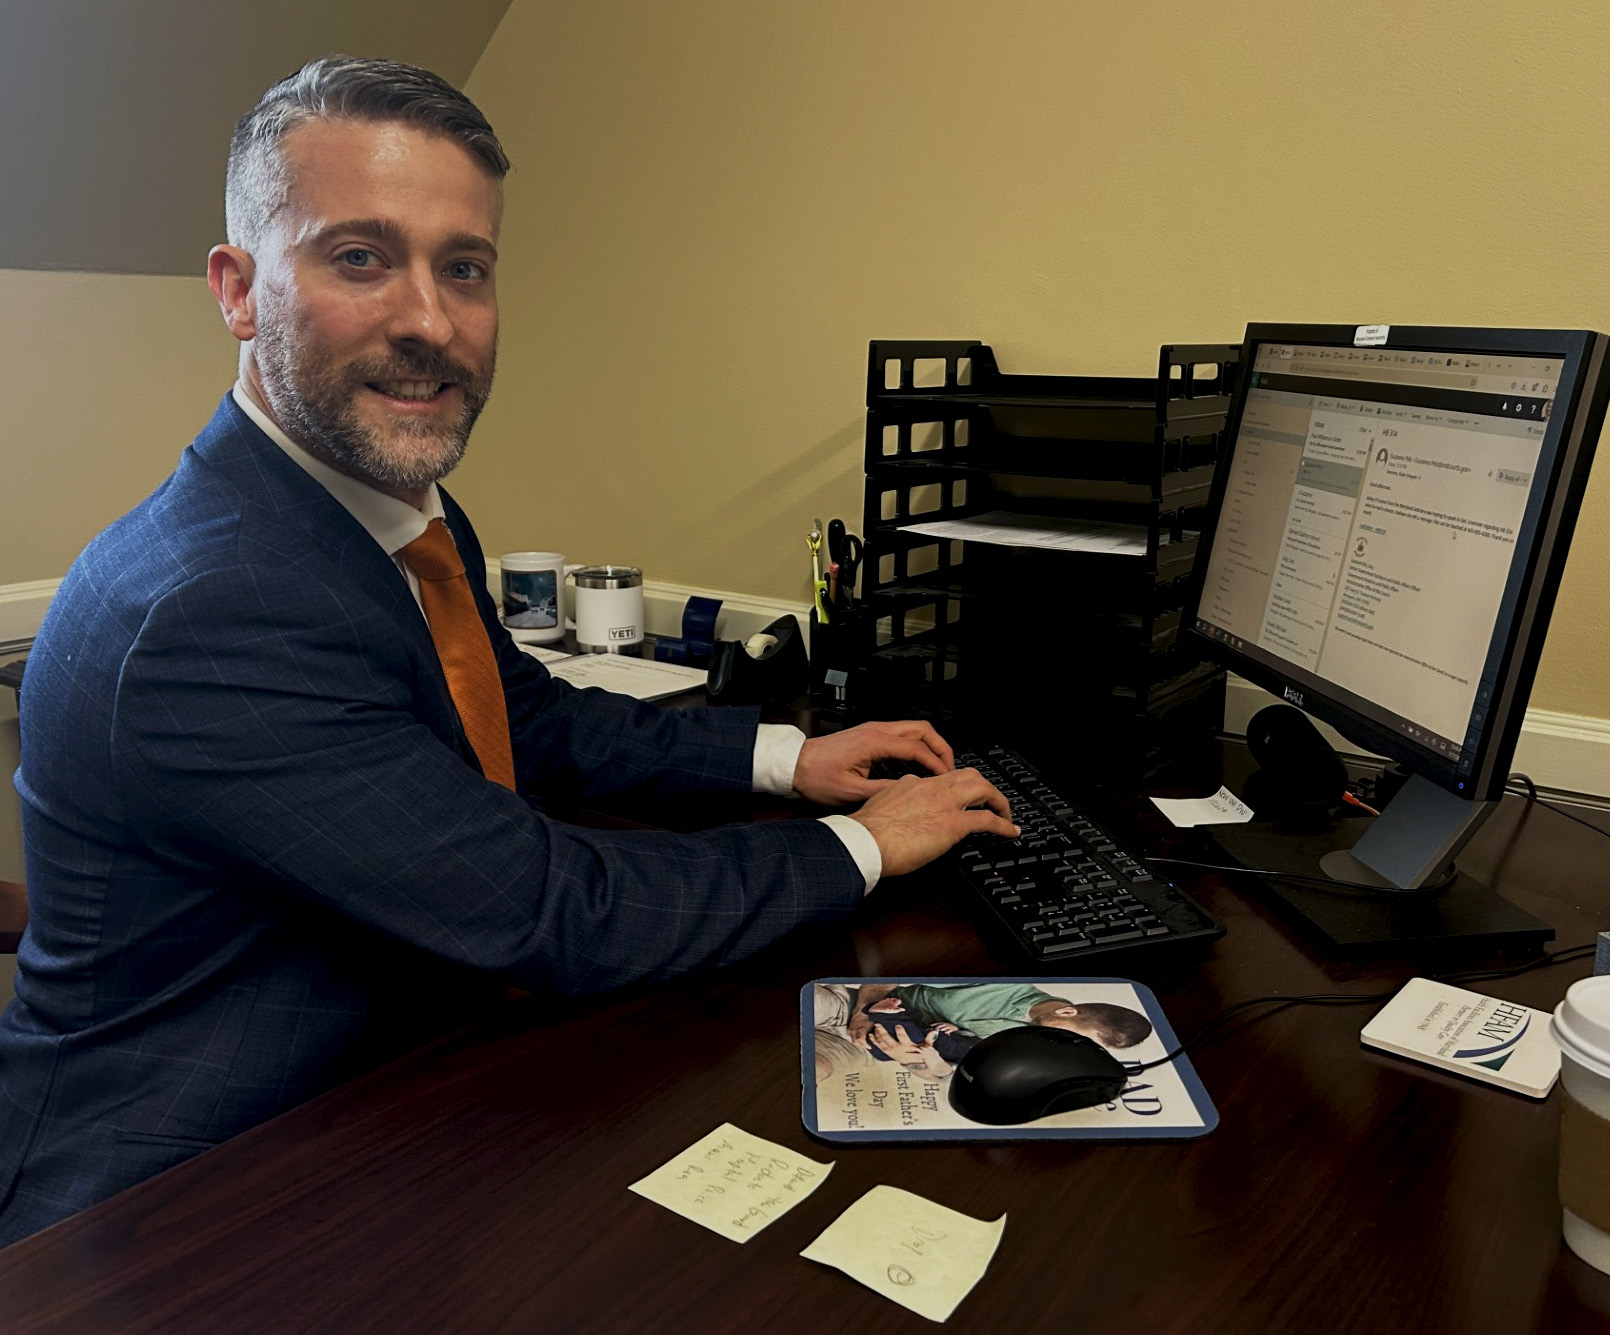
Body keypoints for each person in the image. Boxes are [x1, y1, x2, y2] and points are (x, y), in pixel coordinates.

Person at [0, 56, 1016, 1247]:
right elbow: (554, 908)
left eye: (465, 267)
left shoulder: (393, 511)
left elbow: (526, 716)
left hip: (400, 1082)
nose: (430, 322)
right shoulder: (216, 608)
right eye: (360, 256)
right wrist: (861, 848)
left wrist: (791, 762)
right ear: (238, 288)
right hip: (186, 1195)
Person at [846, 982, 1152, 1051]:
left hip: (900, 1037)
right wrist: (862, 1014)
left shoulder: (1035, 1039)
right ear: (1068, 1012)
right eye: (1071, 1037)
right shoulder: (1002, 983)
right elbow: (885, 973)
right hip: (856, 1002)